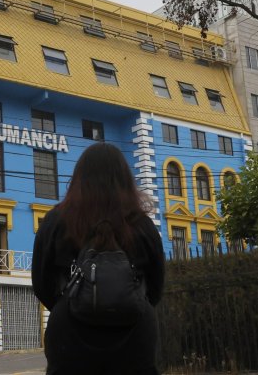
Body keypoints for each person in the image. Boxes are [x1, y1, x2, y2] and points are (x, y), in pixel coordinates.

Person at [32, 142, 166, 375]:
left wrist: (71, 305)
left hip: (70, 336)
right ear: (125, 179)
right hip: (135, 335)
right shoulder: (142, 225)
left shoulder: (55, 220)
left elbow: (41, 284)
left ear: (78, 178)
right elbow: (156, 287)